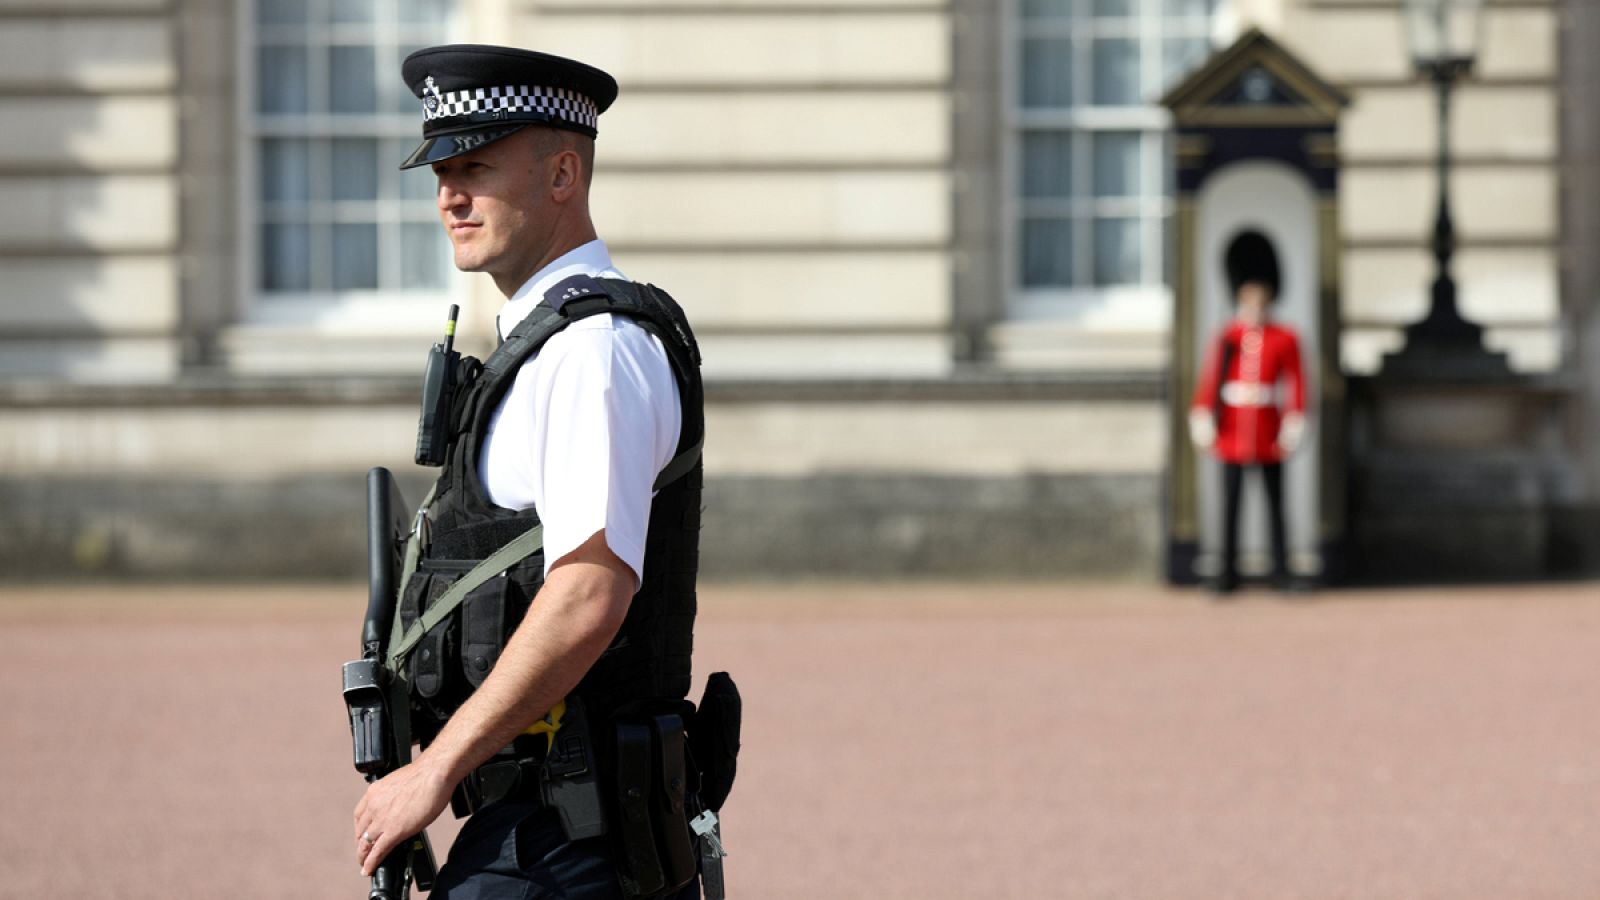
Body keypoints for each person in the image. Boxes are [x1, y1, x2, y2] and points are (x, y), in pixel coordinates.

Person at [351, 44, 711, 899]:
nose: (449, 195)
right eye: (440, 169)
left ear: (562, 174)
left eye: (475, 164)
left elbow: (590, 590)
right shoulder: (544, 343)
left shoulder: (593, 353)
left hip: (567, 836)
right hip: (540, 824)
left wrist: (435, 769)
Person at [1189, 231, 1306, 594]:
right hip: (1234, 431)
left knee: (1276, 505)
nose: (1254, 300)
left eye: (1259, 293)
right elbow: (1212, 379)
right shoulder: (1228, 336)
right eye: (1248, 293)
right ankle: (1227, 572)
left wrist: (1294, 420)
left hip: (1267, 430)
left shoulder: (1284, 337)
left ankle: (1281, 569)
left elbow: (1297, 383)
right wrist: (1202, 414)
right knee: (1230, 506)